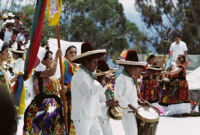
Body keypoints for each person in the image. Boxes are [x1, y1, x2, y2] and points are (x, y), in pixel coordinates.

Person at [71, 42, 112, 135]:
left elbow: (97, 92)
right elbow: (90, 92)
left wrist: (106, 83)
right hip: (82, 116)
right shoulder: (80, 75)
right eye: (94, 62)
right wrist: (102, 82)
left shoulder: (89, 75)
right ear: (86, 62)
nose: (96, 65)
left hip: (92, 114)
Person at [23, 47, 65, 134]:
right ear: (43, 60)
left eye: (52, 59)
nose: (52, 61)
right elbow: (52, 72)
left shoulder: (53, 77)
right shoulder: (38, 73)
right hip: (42, 106)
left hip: (54, 107)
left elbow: (57, 90)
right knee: (39, 128)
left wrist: (63, 89)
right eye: (50, 59)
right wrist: (57, 57)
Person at [115, 50, 147, 135]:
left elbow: (132, 95)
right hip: (127, 112)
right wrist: (130, 106)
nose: (137, 69)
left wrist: (141, 102)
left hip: (133, 111)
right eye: (135, 67)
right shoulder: (121, 79)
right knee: (131, 133)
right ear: (128, 67)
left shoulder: (131, 79)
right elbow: (118, 95)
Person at [96, 59, 116, 135]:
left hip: (106, 120)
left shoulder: (107, 86)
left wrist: (113, 101)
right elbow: (93, 105)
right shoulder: (96, 87)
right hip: (98, 122)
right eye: (106, 76)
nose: (109, 78)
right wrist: (107, 103)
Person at [63, 45, 78, 134]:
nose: (73, 54)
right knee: (67, 116)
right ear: (66, 53)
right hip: (67, 93)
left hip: (75, 95)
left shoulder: (76, 66)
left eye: (75, 52)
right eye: (71, 52)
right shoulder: (64, 62)